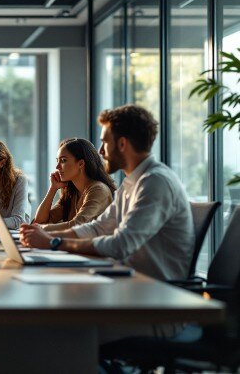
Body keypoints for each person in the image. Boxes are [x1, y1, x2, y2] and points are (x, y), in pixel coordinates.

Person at [20, 105, 194, 281]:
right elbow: (98, 228)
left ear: (122, 144)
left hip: (155, 290)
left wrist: (53, 243)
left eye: (105, 142)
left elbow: (120, 245)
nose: (101, 151)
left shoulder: (155, 182)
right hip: (127, 279)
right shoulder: (132, 183)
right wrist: (42, 236)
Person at [33, 138, 115, 231]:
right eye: (57, 161)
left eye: (63, 160)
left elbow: (77, 225)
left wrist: (39, 228)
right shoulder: (73, 193)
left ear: (81, 164)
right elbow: (39, 220)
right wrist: (53, 188)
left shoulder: (98, 190)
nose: (57, 167)